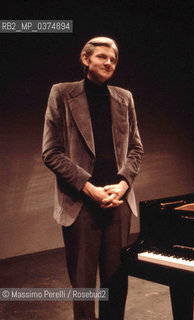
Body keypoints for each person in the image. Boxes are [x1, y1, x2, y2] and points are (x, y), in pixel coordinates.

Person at [42, 37, 144, 320]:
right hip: (81, 204)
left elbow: (136, 148)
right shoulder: (62, 93)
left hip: (117, 203)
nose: (109, 63)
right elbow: (51, 152)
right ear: (85, 59)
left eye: (113, 59)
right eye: (102, 57)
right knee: (84, 289)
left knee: (116, 285)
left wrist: (122, 184)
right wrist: (90, 188)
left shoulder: (124, 97)